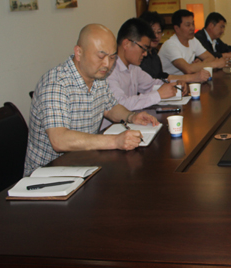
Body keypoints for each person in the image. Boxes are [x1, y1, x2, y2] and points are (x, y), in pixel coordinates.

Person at [24, 24, 159, 176]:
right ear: (79, 52)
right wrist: (115, 141)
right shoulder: (56, 84)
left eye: (112, 57)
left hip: (84, 164)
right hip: (47, 175)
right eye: (101, 56)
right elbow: (59, 140)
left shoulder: (98, 77)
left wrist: (132, 117)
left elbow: (111, 108)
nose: (107, 64)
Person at [107, 18, 188, 113]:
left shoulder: (133, 68)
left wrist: (175, 84)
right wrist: (158, 95)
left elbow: (151, 85)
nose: (145, 54)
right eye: (143, 48)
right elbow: (119, 104)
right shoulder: (109, 70)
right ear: (126, 44)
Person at [138, 11, 209, 83]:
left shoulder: (154, 55)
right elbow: (152, 81)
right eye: (152, 32)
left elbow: (163, 77)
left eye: (159, 32)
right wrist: (192, 77)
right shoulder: (139, 56)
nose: (156, 36)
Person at [158, 9, 226, 75]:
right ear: (177, 28)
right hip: (169, 81)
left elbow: (210, 58)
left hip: (187, 80)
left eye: (193, 24)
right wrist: (215, 64)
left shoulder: (193, 40)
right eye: (188, 25)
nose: (192, 28)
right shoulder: (170, 45)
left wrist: (199, 66)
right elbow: (188, 69)